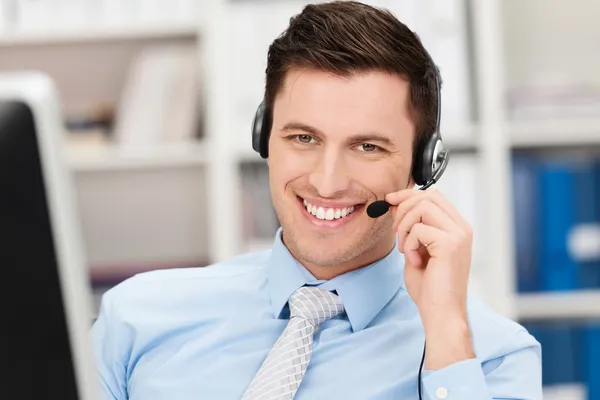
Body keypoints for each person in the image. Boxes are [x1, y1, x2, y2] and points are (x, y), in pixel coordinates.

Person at [91, 1, 542, 399]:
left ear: (424, 166)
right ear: (265, 137)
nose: (327, 184)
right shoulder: (136, 318)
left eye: (368, 147)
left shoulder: (490, 356)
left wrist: (446, 333)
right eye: (304, 138)